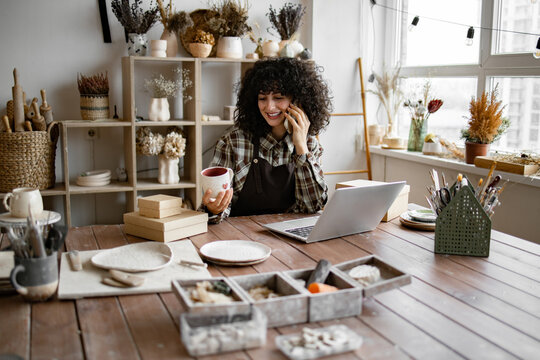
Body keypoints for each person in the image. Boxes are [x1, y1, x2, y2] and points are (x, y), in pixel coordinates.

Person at [200, 57, 333, 223]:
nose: (269, 107)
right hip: (242, 237)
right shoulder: (233, 142)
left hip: (290, 237)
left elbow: (313, 206)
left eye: (278, 97)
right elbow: (215, 209)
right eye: (262, 98)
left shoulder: (309, 144)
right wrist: (214, 209)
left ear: (298, 100)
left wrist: (300, 146)